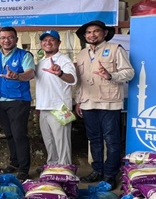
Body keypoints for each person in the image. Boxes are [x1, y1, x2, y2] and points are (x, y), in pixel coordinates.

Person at [74, 20, 134, 185]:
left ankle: (110, 174)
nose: (92, 35)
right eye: (88, 32)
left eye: (96, 31)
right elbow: (81, 81)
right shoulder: (82, 54)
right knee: (94, 139)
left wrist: (110, 75)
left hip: (109, 102)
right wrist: (78, 101)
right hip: (88, 102)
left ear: (104, 33)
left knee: (111, 140)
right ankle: (97, 170)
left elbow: (129, 72)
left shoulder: (115, 49)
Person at [0, 26, 35, 180]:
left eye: (10, 37)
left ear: (16, 39)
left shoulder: (24, 55)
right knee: (9, 135)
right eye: (3, 38)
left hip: (18, 101)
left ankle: (24, 168)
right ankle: (14, 162)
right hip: (0, 101)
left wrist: (18, 75)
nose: (6, 40)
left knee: (19, 135)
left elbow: (30, 73)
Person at [34, 30, 77, 165]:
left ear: (59, 42)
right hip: (43, 108)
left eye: (52, 40)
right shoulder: (40, 62)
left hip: (60, 108)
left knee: (62, 144)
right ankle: (52, 170)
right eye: (45, 40)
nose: (48, 43)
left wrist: (60, 73)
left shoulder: (64, 60)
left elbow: (72, 79)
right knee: (50, 143)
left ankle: (65, 172)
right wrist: (38, 107)